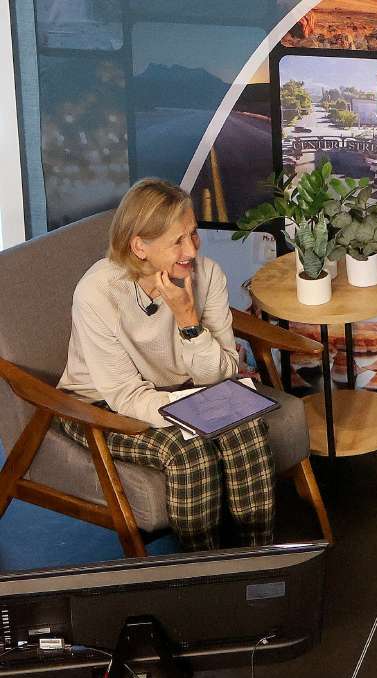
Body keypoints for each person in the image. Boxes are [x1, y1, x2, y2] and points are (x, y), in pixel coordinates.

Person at [57, 178, 275, 551]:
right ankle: (201, 570)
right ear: (139, 245)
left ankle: (256, 562)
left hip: (184, 394)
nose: (191, 249)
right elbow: (124, 395)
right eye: (177, 240)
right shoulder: (98, 293)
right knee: (188, 451)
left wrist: (190, 323)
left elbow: (221, 374)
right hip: (98, 405)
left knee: (247, 426)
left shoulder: (208, 275)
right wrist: (191, 412)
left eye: (193, 234)